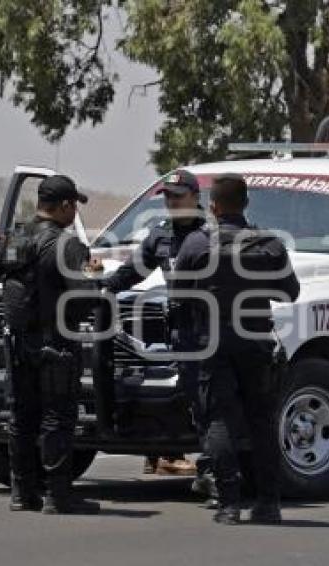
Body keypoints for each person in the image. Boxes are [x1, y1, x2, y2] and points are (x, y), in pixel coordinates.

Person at [175, 173, 300, 525]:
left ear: (212, 205)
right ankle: (268, 503)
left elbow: (178, 298)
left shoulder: (195, 245)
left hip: (212, 343)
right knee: (262, 422)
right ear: (246, 204)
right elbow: (291, 292)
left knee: (219, 421)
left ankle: (228, 505)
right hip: (257, 341)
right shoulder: (270, 245)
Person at [0, 175, 99, 514]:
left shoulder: (16, 237)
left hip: (18, 342)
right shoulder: (65, 244)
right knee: (57, 418)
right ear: (65, 205)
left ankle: (21, 493)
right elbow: (84, 299)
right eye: (74, 207)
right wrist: (94, 277)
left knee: (21, 418)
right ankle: (58, 495)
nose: (75, 214)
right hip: (55, 342)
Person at [96, 169, 205, 477]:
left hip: (209, 330)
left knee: (206, 399)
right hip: (179, 329)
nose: (171, 202)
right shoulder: (161, 234)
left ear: (195, 198)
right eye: (168, 197)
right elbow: (134, 271)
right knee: (175, 393)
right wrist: (103, 287)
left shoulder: (211, 235)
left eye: (178, 196)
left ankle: (213, 469)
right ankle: (162, 454)